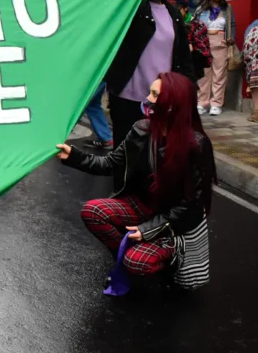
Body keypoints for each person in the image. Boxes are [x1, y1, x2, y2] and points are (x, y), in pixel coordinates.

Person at [56, 72, 216, 287]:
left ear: (173, 103)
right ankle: (128, 257)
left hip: (172, 221)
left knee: (137, 262)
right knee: (93, 211)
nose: (148, 99)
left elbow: (189, 205)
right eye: (149, 92)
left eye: (155, 95)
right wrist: (73, 156)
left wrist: (149, 229)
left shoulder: (196, 145)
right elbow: (111, 163)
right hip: (141, 205)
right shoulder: (141, 129)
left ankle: (166, 259)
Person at [104, 0, 193, 147]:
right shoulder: (131, 9)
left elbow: (183, 57)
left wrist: (189, 91)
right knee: (125, 156)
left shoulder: (173, 14)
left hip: (161, 100)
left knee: (155, 154)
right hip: (127, 98)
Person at [194, 0, 236, 116]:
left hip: (221, 43)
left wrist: (231, 38)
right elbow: (195, 26)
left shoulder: (227, 8)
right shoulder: (201, 9)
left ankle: (216, 104)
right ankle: (202, 102)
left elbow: (232, 24)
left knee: (220, 74)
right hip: (204, 43)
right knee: (204, 75)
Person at [167, 0, 211, 86]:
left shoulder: (198, 25)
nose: (174, 12)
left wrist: (189, 49)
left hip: (190, 72)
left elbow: (204, 53)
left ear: (185, 8)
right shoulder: (169, 24)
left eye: (178, 8)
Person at [83, 84, 113, 150]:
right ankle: (105, 138)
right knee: (93, 104)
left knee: (80, 102)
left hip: (90, 77)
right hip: (100, 77)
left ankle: (59, 135)